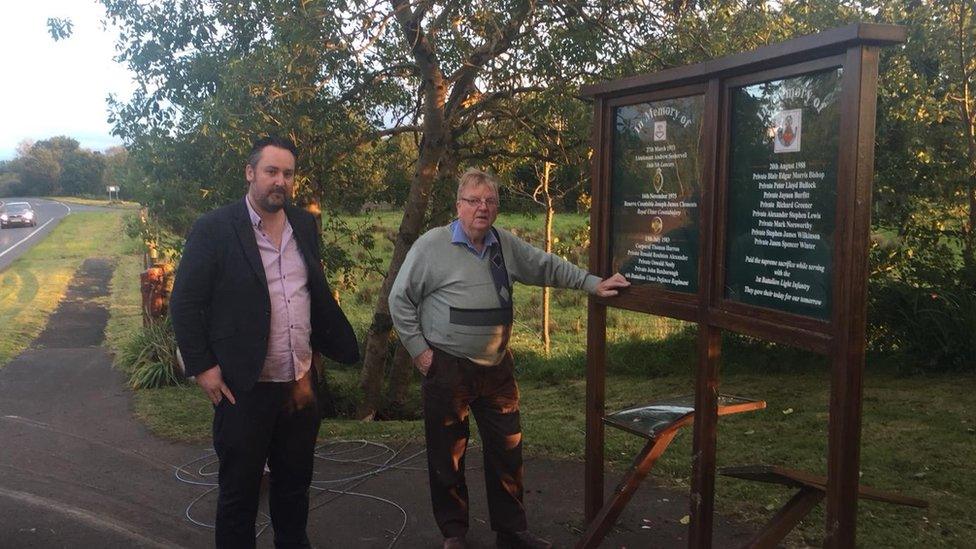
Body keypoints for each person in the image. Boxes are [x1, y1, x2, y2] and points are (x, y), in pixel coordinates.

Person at [388, 168, 629, 549]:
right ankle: (454, 533)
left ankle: (511, 532)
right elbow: (398, 300)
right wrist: (421, 354)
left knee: (508, 450)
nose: (481, 208)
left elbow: (546, 265)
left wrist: (592, 283)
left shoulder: (504, 244)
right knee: (447, 453)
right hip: (448, 368)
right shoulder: (430, 246)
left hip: (497, 369)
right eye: (474, 201)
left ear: (497, 208)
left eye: (489, 201)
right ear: (458, 206)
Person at [170, 135, 359, 548]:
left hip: (299, 386)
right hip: (243, 388)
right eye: (271, 171)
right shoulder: (214, 229)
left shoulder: (304, 225)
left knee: (293, 494)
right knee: (239, 497)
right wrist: (202, 367)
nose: (281, 181)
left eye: (288, 173)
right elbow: (184, 304)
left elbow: (310, 291)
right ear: (250, 173)